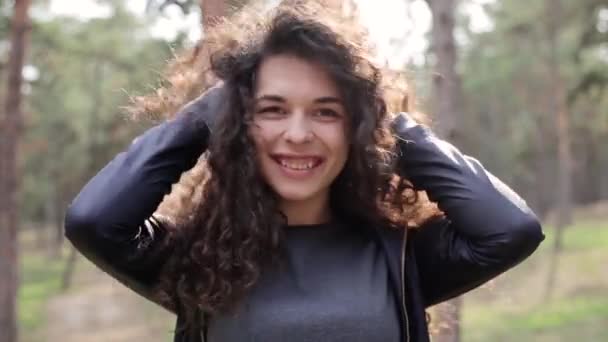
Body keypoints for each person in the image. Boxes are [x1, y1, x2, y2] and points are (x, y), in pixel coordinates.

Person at [64, 2, 544, 341]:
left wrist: (389, 123)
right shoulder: (199, 260)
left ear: (356, 127)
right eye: (273, 109)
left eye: (326, 112)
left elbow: (510, 230)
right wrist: (202, 117)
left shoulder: (401, 255)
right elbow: (94, 221)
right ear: (238, 124)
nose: (297, 133)